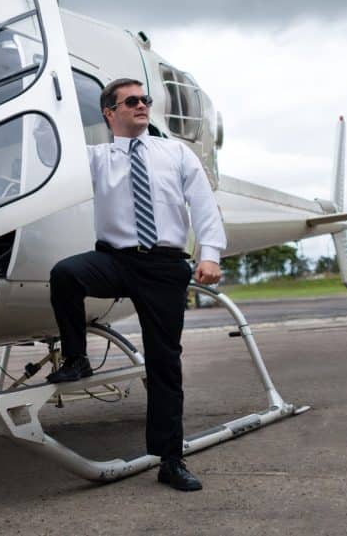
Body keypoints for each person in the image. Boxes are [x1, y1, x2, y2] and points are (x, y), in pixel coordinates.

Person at [46, 77, 226, 492]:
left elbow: (203, 205)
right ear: (109, 113)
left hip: (164, 265)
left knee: (164, 363)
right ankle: (76, 358)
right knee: (66, 274)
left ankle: (170, 460)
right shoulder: (95, 158)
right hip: (116, 260)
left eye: (144, 99)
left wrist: (210, 255)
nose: (142, 105)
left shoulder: (174, 153)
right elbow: (45, 153)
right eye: (131, 101)